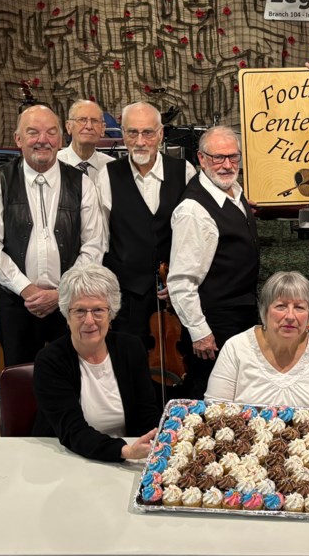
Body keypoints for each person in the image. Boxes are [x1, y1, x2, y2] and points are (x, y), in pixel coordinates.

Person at [0, 104, 105, 366]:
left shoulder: (82, 183)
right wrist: (27, 290)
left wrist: (62, 293)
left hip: (71, 304)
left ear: (60, 139)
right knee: (22, 381)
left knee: (72, 379)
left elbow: (94, 245)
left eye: (50, 132)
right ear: (18, 139)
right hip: (18, 304)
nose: (42, 140)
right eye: (33, 132)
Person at [32, 263, 162, 462]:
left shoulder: (131, 348)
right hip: (67, 457)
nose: (90, 320)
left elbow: (147, 415)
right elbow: (72, 431)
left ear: (111, 314)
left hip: (129, 458)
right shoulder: (50, 360)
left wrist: (149, 449)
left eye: (98, 310)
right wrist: (125, 451)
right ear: (67, 315)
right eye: (80, 311)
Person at [168, 127, 260, 400]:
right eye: (218, 158)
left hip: (239, 316)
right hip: (213, 326)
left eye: (233, 157)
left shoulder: (233, 192)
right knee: (210, 400)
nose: (227, 165)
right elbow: (182, 281)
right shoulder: (193, 211)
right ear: (201, 158)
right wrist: (200, 332)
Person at [97, 102, 195, 350]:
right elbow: (99, 240)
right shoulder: (106, 175)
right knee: (131, 364)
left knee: (178, 362)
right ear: (122, 134)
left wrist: (182, 280)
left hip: (176, 293)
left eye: (148, 133)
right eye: (132, 132)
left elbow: (195, 237)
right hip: (127, 295)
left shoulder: (185, 171)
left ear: (160, 134)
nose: (140, 141)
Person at [205, 272, 309, 409]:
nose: (290, 316)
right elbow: (216, 409)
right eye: (281, 306)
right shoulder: (236, 347)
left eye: (299, 307)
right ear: (265, 310)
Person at [57, 99, 115, 184]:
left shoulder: (112, 167)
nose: (89, 126)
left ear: (103, 129)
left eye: (94, 121)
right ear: (69, 126)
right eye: (82, 120)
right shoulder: (53, 164)